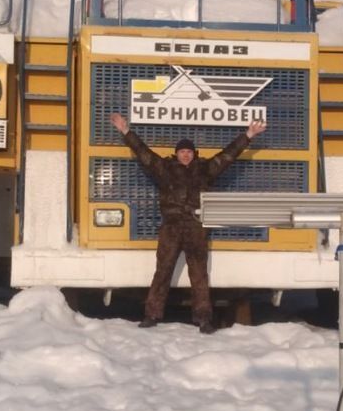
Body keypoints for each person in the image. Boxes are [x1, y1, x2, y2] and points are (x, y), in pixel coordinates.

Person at [110, 112, 267, 334]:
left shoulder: (205, 169)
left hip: (196, 227)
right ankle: (152, 315)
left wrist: (248, 135)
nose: (186, 155)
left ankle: (203, 319)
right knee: (163, 271)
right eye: (182, 151)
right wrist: (126, 131)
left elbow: (228, 156)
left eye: (189, 152)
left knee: (199, 274)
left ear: (195, 154)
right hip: (171, 227)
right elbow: (143, 153)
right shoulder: (164, 168)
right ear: (176, 153)